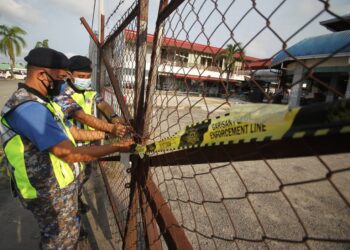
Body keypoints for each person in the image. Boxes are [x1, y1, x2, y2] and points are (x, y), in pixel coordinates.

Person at [0, 48, 134, 249]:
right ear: (42, 75)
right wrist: (116, 147)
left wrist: (108, 134)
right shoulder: (29, 108)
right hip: (46, 190)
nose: (63, 83)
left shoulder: (44, 102)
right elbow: (70, 153)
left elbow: (74, 132)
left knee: (65, 233)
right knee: (60, 240)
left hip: (59, 185)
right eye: (61, 78)